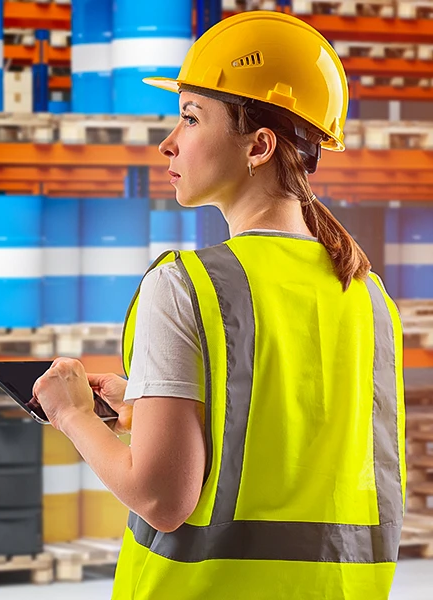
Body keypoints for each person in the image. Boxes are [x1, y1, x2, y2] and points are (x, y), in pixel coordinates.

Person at [32, 11, 405, 599]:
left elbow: (161, 497)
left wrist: (72, 414)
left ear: (259, 145)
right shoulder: (367, 294)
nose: (167, 143)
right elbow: (291, 431)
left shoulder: (187, 285)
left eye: (190, 118)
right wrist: (152, 399)